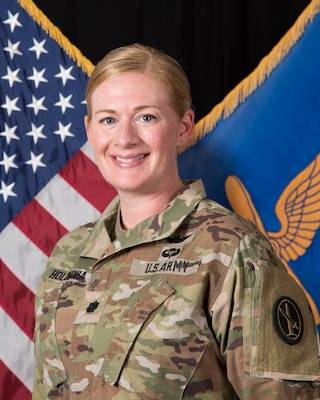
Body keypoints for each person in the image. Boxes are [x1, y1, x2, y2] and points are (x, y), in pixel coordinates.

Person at [32, 43, 320, 399]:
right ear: (90, 130)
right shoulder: (69, 254)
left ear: (183, 127)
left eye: (146, 117)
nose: (124, 138)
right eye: (109, 119)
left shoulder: (230, 251)